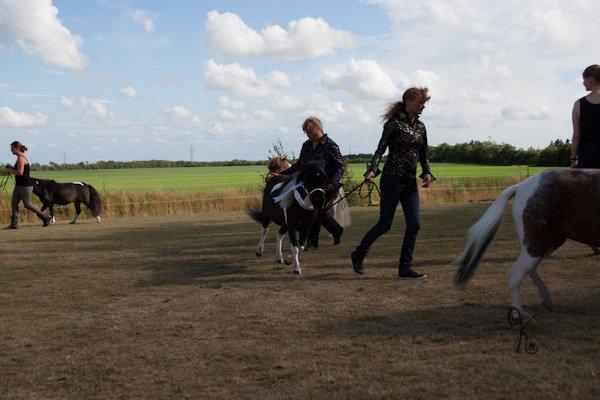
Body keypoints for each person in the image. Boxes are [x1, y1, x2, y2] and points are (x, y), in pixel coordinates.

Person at [351, 87, 434, 279]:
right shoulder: (393, 124)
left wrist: (427, 172)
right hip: (391, 180)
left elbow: (424, 154)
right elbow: (380, 150)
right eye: (420, 102)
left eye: (424, 103)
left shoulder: (421, 127)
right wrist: (373, 169)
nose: (423, 106)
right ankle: (359, 253)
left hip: (410, 183)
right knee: (384, 225)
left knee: (414, 224)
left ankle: (405, 267)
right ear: (408, 101)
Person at [282, 117, 344, 249]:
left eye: (310, 132)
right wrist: (282, 175)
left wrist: (333, 181)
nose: (308, 135)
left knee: (315, 210)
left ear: (318, 128)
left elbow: (340, 166)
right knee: (316, 211)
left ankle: (311, 243)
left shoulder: (331, 145)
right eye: (306, 133)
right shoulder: (306, 146)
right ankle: (336, 230)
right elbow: (300, 165)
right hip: (309, 184)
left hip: (326, 185)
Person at [570, 64, 600, 254]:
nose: (583, 83)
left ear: (591, 79)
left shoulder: (579, 104)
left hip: (588, 158)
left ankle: (595, 245)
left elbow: (576, 137)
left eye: (584, 79)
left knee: (591, 202)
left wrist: (573, 160)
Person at [4, 141, 52, 229]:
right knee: (14, 203)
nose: (11, 150)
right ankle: (14, 223)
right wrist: (11, 167)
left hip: (25, 185)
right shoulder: (20, 158)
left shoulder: (21, 159)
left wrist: (10, 170)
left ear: (17, 148)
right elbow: (18, 170)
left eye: (12, 148)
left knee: (28, 204)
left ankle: (45, 217)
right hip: (19, 185)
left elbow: (20, 172)